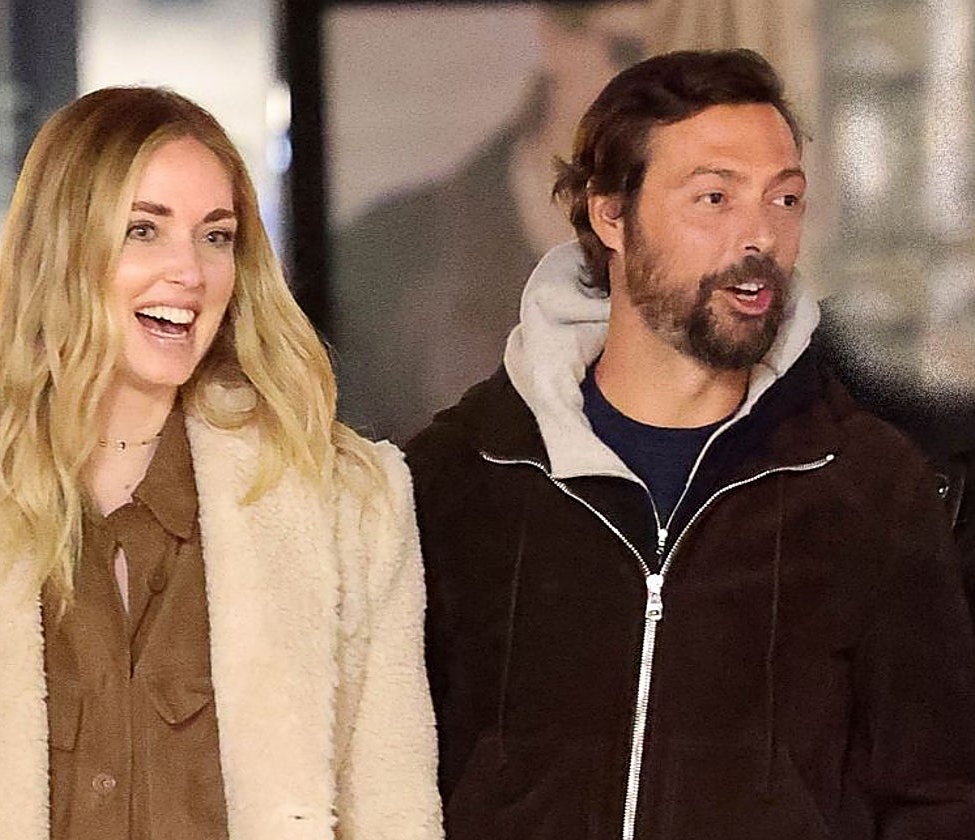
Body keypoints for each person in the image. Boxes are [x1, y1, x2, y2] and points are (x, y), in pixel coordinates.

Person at [0, 87, 442, 840]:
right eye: (143, 230)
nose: (190, 272)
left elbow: (394, 818)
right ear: (61, 247)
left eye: (216, 236)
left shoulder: (347, 503)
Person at [407, 49, 975, 839]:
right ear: (611, 215)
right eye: (715, 197)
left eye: (785, 199)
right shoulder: (458, 476)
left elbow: (937, 794)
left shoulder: (872, 488)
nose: (760, 237)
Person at [330, 0, 648, 444]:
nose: (659, 98)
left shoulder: (716, 252)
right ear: (555, 37)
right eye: (630, 53)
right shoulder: (388, 248)